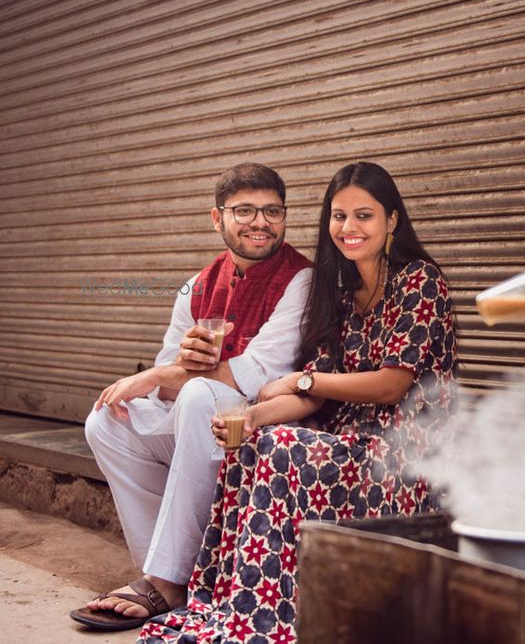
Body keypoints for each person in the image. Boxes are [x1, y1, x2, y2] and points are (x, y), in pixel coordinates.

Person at [135, 161, 458, 643]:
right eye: (339, 216)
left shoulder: (419, 281)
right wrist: (250, 416)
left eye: (364, 216)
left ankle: (269, 614)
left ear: (392, 220)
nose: (349, 229)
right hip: (347, 444)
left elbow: (390, 385)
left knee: (283, 448)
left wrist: (305, 383)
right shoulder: (339, 295)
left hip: (407, 454)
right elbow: (309, 396)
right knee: (254, 443)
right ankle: (240, 604)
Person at [71, 163, 312, 631]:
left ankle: (164, 580)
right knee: (106, 420)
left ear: (285, 217)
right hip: (204, 420)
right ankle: (165, 577)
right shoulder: (197, 284)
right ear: (216, 218)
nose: (259, 222)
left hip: (268, 423)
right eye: (243, 210)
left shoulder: (301, 279)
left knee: (201, 392)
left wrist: (172, 374)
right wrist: (172, 369)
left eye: (272, 211)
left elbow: (258, 372)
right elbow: (165, 381)